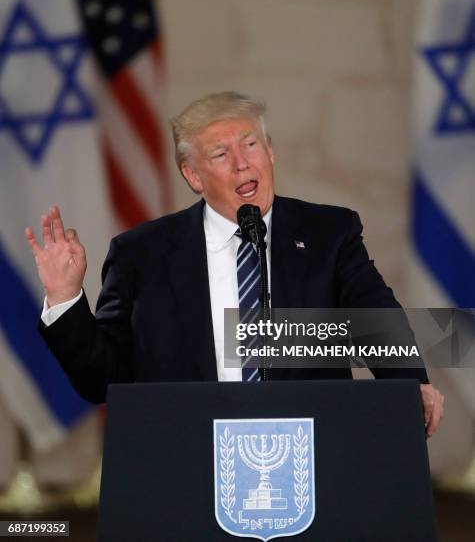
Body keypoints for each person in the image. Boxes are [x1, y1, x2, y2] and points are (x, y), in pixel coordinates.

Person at [25, 91, 444, 435]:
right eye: (221, 154)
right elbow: (103, 379)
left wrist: (412, 385)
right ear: (193, 177)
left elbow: (376, 321)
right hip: (188, 460)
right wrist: (65, 298)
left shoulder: (327, 233)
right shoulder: (142, 254)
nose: (243, 162)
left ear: (270, 152)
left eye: (250, 144)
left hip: (309, 451)